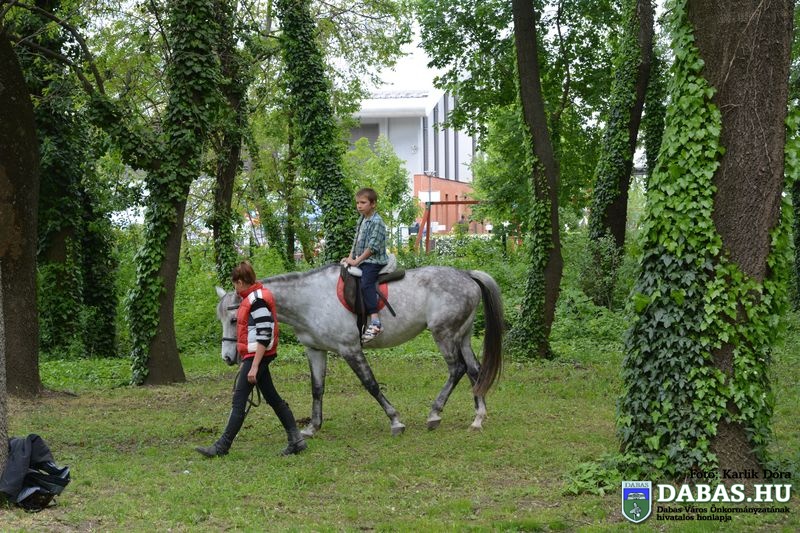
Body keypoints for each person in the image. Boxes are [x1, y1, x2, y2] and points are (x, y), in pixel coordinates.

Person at [195, 261, 306, 457]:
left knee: (239, 400)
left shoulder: (258, 300)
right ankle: (297, 440)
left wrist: (254, 365)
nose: (235, 289)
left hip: (258, 356)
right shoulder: (253, 298)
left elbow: (264, 335)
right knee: (272, 397)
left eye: (235, 284)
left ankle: (221, 447)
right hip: (255, 355)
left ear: (240, 282)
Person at [342, 187, 389, 343]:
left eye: (363, 203)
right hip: (361, 259)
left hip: (373, 261)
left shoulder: (377, 222)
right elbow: (355, 241)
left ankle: (375, 322)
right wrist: (350, 257)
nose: (359, 206)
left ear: (373, 204)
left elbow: (372, 248)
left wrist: (357, 261)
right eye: (357, 203)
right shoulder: (361, 219)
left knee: (366, 283)